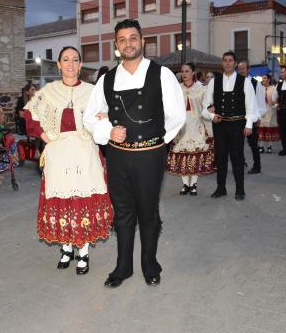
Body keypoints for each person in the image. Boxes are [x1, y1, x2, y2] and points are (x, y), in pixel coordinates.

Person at [83, 19, 186, 288]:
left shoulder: (161, 74)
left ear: (142, 41)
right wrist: (106, 130)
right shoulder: (106, 79)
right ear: (116, 46)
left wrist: (158, 142)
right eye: (122, 39)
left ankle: (149, 265)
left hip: (150, 156)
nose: (128, 43)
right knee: (123, 211)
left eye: (133, 38)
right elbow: (89, 118)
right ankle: (123, 266)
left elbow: (177, 115)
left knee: (148, 211)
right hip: (117, 157)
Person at [24, 46, 113, 276]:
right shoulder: (48, 91)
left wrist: (104, 120)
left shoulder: (93, 91)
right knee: (62, 200)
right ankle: (66, 248)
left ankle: (82, 252)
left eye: (75, 60)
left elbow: (106, 114)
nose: (71, 64)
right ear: (59, 65)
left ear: (80, 65)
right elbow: (29, 115)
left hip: (86, 152)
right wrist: (45, 137)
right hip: (59, 153)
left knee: (82, 199)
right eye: (66, 60)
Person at [202, 51, 256, 200]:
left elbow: (251, 106)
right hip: (220, 125)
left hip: (238, 125)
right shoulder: (214, 82)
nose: (227, 63)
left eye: (230, 60)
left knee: (237, 157)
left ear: (235, 63)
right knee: (220, 158)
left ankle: (240, 190)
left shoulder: (244, 81)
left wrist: (249, 125)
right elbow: (204, 107)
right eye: (225, 60)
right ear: (222, 63)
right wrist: (212, 116)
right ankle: (221, 188)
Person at [166, 62, 214, 196]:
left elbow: (206, 108)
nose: (184, 74)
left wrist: (211, 110)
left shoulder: (202, 89)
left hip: (197, 124)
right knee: (182, 153)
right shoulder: (177, 89)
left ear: (193, 72)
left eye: (187, 71)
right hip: (182, 126)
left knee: (196, 153)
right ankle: (185, 184)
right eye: (182, 71)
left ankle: (193, 184)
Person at [237, 61, 266, 174]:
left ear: (248, 69)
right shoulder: (236, 82)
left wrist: (258, 118)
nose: (241, 71)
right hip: (238, 117)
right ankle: (241, 162)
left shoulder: (255, 83)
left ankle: (257, 166)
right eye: (239, 69)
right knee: (238, 143)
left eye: (243, 68)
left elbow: (260, 102)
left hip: (252, 117)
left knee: (253, 144)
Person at [258, 74, 280, 153]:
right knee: (261, 127)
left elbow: (276, 101)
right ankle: (261, 146)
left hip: (270, 110)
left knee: (269, 128)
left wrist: (275, 104)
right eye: (262, 78)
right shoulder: (259, 88)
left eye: (265, 78)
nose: (263, 80)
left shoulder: (273, 88)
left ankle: (269, 146)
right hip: (261, 111)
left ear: (269, 80)